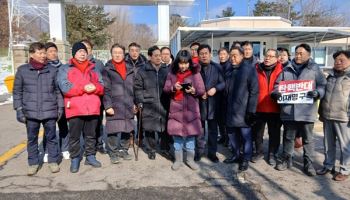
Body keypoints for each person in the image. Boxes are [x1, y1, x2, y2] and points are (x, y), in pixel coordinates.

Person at [273, 43, 326, 176]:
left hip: (307, 111)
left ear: (309, 55)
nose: (298, 55)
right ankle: (286, 159)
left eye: (301, 53)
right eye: (296, 53)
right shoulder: (286, 69)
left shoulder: (314, 69)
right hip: (289, 111)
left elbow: (322, 85)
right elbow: (277, 85)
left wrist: (317, 93)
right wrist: (276, 93)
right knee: (288, 137)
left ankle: (308, 164)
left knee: (308, 139)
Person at [13, 42, 62, 175]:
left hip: (50, 110)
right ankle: (33, 163)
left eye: (44, 53)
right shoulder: (23, 70)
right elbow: (17, 92)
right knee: (32, 139)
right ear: (31, 54)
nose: (43, 55)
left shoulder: (52, 70)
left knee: (51, 137)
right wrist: (18, 109)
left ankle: (53, 161)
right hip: (30, 112)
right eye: (40, 53)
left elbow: (58, 91)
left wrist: (60, 108)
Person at [57, 42, 104, 173]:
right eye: (79, 52)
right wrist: (83, 88)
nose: (83, 54)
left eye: (84, 52)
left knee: (91, 135)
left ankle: (90, 156)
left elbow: (101, 85)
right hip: (75, 108)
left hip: (92, 107)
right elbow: (65, 87)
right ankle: (75, 158)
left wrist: (96, 87)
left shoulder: (93, 68)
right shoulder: (65, 69)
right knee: (74, 136)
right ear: (74, 54)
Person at [163, 49, 205, 170]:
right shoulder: (171, 74)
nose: (183, 66)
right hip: (176, 110)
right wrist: (173, 88)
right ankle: (178, 160)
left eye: (186, 63)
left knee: (191, 138)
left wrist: (193, 91)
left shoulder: (195, 74)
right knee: (177, 138)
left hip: (191, 110)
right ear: (177, 63)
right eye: (181, 63)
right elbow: (165, 89)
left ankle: (190, 160)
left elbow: (201, 90)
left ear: (190, 63)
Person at [224, 46, 259, 171]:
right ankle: (236, 155)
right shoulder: (229, 70)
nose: (232, 58)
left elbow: (254, 91)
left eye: (235, 55)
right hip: (230, 110)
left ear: (242, 56)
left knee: (246, 137)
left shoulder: (249, 70)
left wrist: (251, 111)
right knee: (232, 135)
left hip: (244, 111)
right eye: (231, 55)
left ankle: (246, 158)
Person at [134, 45, 171, 160]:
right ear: (149, 57)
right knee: (149, 128)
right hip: (149, 103)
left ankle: (165, 148)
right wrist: (140, 101)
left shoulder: (166, 70)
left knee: (164, 128)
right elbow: (138, 88)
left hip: (164, 103)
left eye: (160, 55)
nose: (158, 57)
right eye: (155, 55)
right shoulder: (142, 71)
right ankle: (151, 149)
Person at [317, 50, 350, 181]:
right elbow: (324, 96)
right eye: (336, 60)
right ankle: (328, 165)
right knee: (328, 144)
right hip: (328, 115)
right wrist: (321, 113)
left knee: (345, 146)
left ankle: (345, 170)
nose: (338, 62)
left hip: (344, 117)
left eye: (342, 60)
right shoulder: (330, 76)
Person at [102, 43, 136, 164]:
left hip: (128, 103)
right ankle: (113, 152)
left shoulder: (130, 69)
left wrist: (135, 103)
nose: (117, 55)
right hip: (114, 104)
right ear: (111, 54)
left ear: (124, 54)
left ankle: (124, 149)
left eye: (120, 53)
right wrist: (108, 106)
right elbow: (105, 89)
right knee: (113, 130)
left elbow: (135, 87)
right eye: (115, 53)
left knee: (127, 128)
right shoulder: (107, 69)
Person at [251, 49, 283, 166]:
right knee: (257, 133)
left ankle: (272, 154)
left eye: (271, 56)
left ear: (277, 58)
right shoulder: (256, 68)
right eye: (266, 55)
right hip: (259, 107)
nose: (267, 58)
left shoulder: (282, 70)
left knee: (274, 134)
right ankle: (259, 152)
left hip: (275, 108)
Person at [196, 44, 225, 163]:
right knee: (200, 130)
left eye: (206, 53)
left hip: (213, 104)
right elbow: (191, 84)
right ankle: (199, 152)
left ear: (210, 54)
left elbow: (223, 83)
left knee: (213, 130)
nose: (204, 56)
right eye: (201, 53)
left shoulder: (217, 67)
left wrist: (216, 89)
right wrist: (199, 92)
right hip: (199, 103)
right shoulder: (195, 68)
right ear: (198, 55)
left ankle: (212, 153)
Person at [41, 42, 70, 161]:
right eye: (50, 51)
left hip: (62, 101)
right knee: (49, 127)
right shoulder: (43, 68)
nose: (53, 53)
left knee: (63, 126)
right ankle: (47, 151)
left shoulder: (63, 67)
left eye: (55, 51)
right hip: (49, 102)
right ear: (46, 54)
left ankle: (65, 149)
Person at [81, 39, 107, 154]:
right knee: (84, 124)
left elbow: (104, 81)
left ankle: (99, 143)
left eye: (88, 48)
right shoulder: (74, 64)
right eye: (83, 48)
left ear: (91, 50)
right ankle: (87, 146)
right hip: (82, 99)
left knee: (98, 122)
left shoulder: (99, 64)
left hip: (97, 99)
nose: (85, 51)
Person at [217, 47, 231, 146]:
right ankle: (222, 136)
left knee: (226, 119)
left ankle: (227, 138)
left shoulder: (230, 66)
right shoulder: (217, 66)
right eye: (220, 54)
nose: (222, 56)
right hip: (218, 96)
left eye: (224, 54)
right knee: (220, 119)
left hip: (227, 97)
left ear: (228, 55)